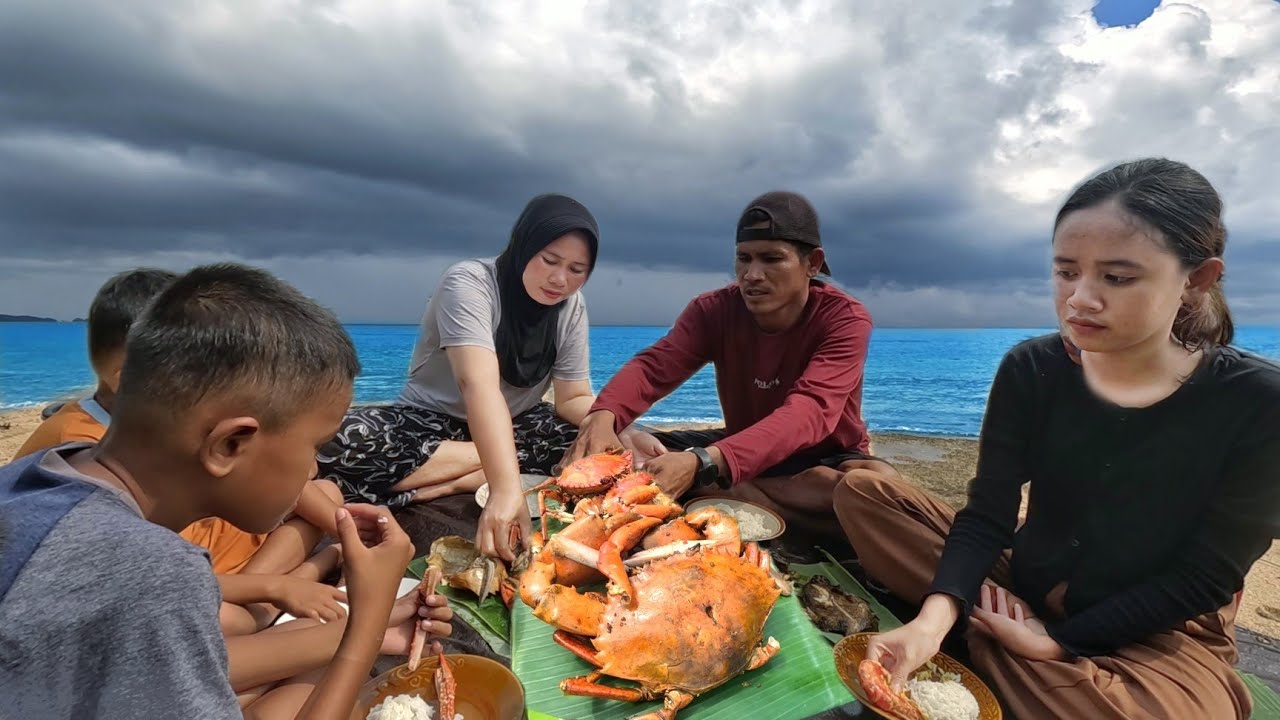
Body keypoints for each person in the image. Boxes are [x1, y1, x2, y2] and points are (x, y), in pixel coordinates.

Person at [835, 158, 1280, 719]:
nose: (1079, 299)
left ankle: (1001, 646)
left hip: (1158, 626)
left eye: (1116, 278)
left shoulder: (1258, 401)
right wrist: (931, 622)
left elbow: (1206, 577)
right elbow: (986, 514)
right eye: (1067, 272)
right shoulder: (1032, 367)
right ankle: (991, 637)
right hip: (1024, 572)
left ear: (1197, 278)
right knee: (863, 493)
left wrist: (1057, 642)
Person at [0, 263, 453, 719]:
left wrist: (379, 624)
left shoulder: (52, 471)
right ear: (230, 444)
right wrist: (368, 625)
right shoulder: (154, 573)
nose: (315, 467)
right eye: (315, 447)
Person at [317, 193, 659, 562]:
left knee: (586, 446)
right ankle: (486, 469)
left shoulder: (570, 306)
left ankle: (430, 484)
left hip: (516, 425)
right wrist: (504, 487)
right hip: (426, 423)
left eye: (577, 270)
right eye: (550, 260)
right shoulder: (469, 283)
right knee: (335, 439)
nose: (560, 279)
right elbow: (479, 386)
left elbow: (573, 397)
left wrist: (623, 429)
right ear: (524, 245)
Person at [14, 268, 347, 635]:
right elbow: (152, 578)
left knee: (326, 495)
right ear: (130, 376)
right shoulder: (84, 447)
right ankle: (278, 602)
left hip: (210, 558)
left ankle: (290, 590)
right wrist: (279, 588)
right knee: (224, 622)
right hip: (194, 577)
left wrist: (348, 534)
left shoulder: (128, 449)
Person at [563, 190, 897, 545]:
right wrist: (603, 416)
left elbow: (810, 412)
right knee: (633, 456)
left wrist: (702, 463)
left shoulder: (843, 319)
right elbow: (655, 367)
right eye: (744, 259)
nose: (752, 275)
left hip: (822, 458)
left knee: (870, 487)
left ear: (812, 264)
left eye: (772, 259)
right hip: (741, 449)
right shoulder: (714, 310)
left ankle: (734, 496)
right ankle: (745, 498)